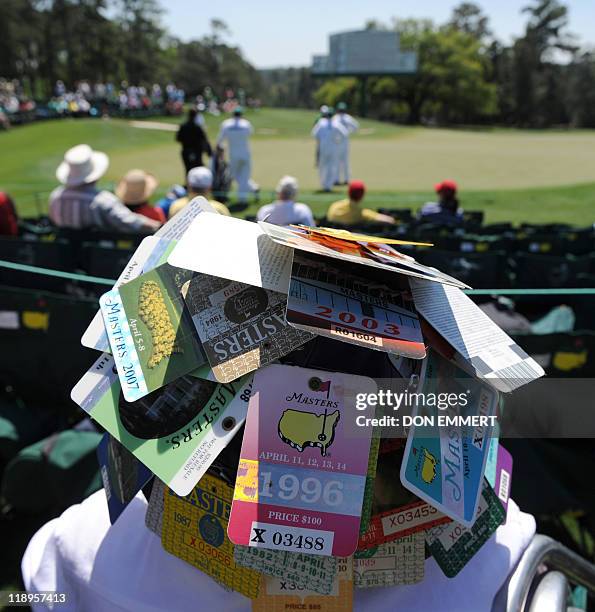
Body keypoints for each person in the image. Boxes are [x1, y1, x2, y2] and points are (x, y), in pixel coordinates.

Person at [49, 145, 160, 233]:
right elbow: (131, 222)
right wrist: (159, 226)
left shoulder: (55, 197)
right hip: (95, 256)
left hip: (63, 254)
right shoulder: (103, 201)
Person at [216, 107, 258, 204]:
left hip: (233, 154)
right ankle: (251, 189)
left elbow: (220, 140)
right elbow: (250, 133)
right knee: (244, 176)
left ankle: (244, 197)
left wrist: (219, 150)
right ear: (241, 115)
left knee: (234, 175)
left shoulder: (226, 124)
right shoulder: (246, 124)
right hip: (245, 154)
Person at [327, 180, 395, 226]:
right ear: (362, 196)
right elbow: (389, 220)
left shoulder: (334, 207)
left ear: (348, 192)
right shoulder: (360, 213)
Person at [311, 107, 348, 192]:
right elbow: (345, 134)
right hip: (333, 148)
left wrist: (322, 138)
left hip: (323, 148)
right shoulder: (336, 123)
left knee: (322, 166)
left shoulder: (321, 123)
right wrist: (338, 140)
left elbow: (314, 134)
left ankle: (324, 184)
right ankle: (329, 186)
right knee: (331, 167)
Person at [176, 108, 212, 175]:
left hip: (186, 151)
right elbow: (204, 140)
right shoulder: (197, 127)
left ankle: (189, 184)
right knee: (198, 169)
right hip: (197, 151)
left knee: (188, 169)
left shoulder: (183, 126)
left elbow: (178, 139)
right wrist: (209, 151)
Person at [332, 102, 359, 185]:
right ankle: (347, 180)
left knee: (337, 161)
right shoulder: (348, 118)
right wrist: (350, 131)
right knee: (345, 162)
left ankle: (336, 180)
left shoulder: (335, 118)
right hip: (344, 142)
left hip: (337, 142)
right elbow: (356, 126)